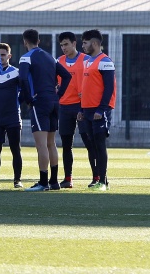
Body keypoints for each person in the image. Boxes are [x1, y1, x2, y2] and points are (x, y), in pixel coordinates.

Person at [19, 29, 72, 192]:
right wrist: (59, 94)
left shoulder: (26, 57)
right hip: (54, 102)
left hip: (39, 102)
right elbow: (67, 76)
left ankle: (43, 182)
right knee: (51, 143)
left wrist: (28, 100)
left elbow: (22, 79)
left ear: (25, 42)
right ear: (38, 41)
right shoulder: (50, 57)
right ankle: (54, 182)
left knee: (41, 145)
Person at [79, 29, 115, 191]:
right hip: (87, 110)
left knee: (100, 145)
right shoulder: (87, 61)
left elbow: (109, 88)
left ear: (94, 43)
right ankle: (100, 179)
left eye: (85, 43)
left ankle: (103, 182)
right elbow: (86, 88)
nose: (83, 46)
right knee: (92, 145)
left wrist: (101, 109)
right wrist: (81, 108)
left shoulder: (105, 61)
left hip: (99, 111)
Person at [56, 32, 93, 188]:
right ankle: (68, 178)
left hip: (81, 106)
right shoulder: (58, 61)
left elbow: (93, 82)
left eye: (66, 44)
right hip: (64, 107)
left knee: (89, 142)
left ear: (74, 43)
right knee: (66, 144)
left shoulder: (86, 60)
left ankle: (98, 177)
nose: (64, 48)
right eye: (61, 45)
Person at [0, 43, 23, 188]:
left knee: (15, 149)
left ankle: (17, 180)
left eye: (3, 54)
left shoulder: (16, 72)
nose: (1, 57)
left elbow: (23, 91)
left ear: (9, 56)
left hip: (13, 117)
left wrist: (17, 104)